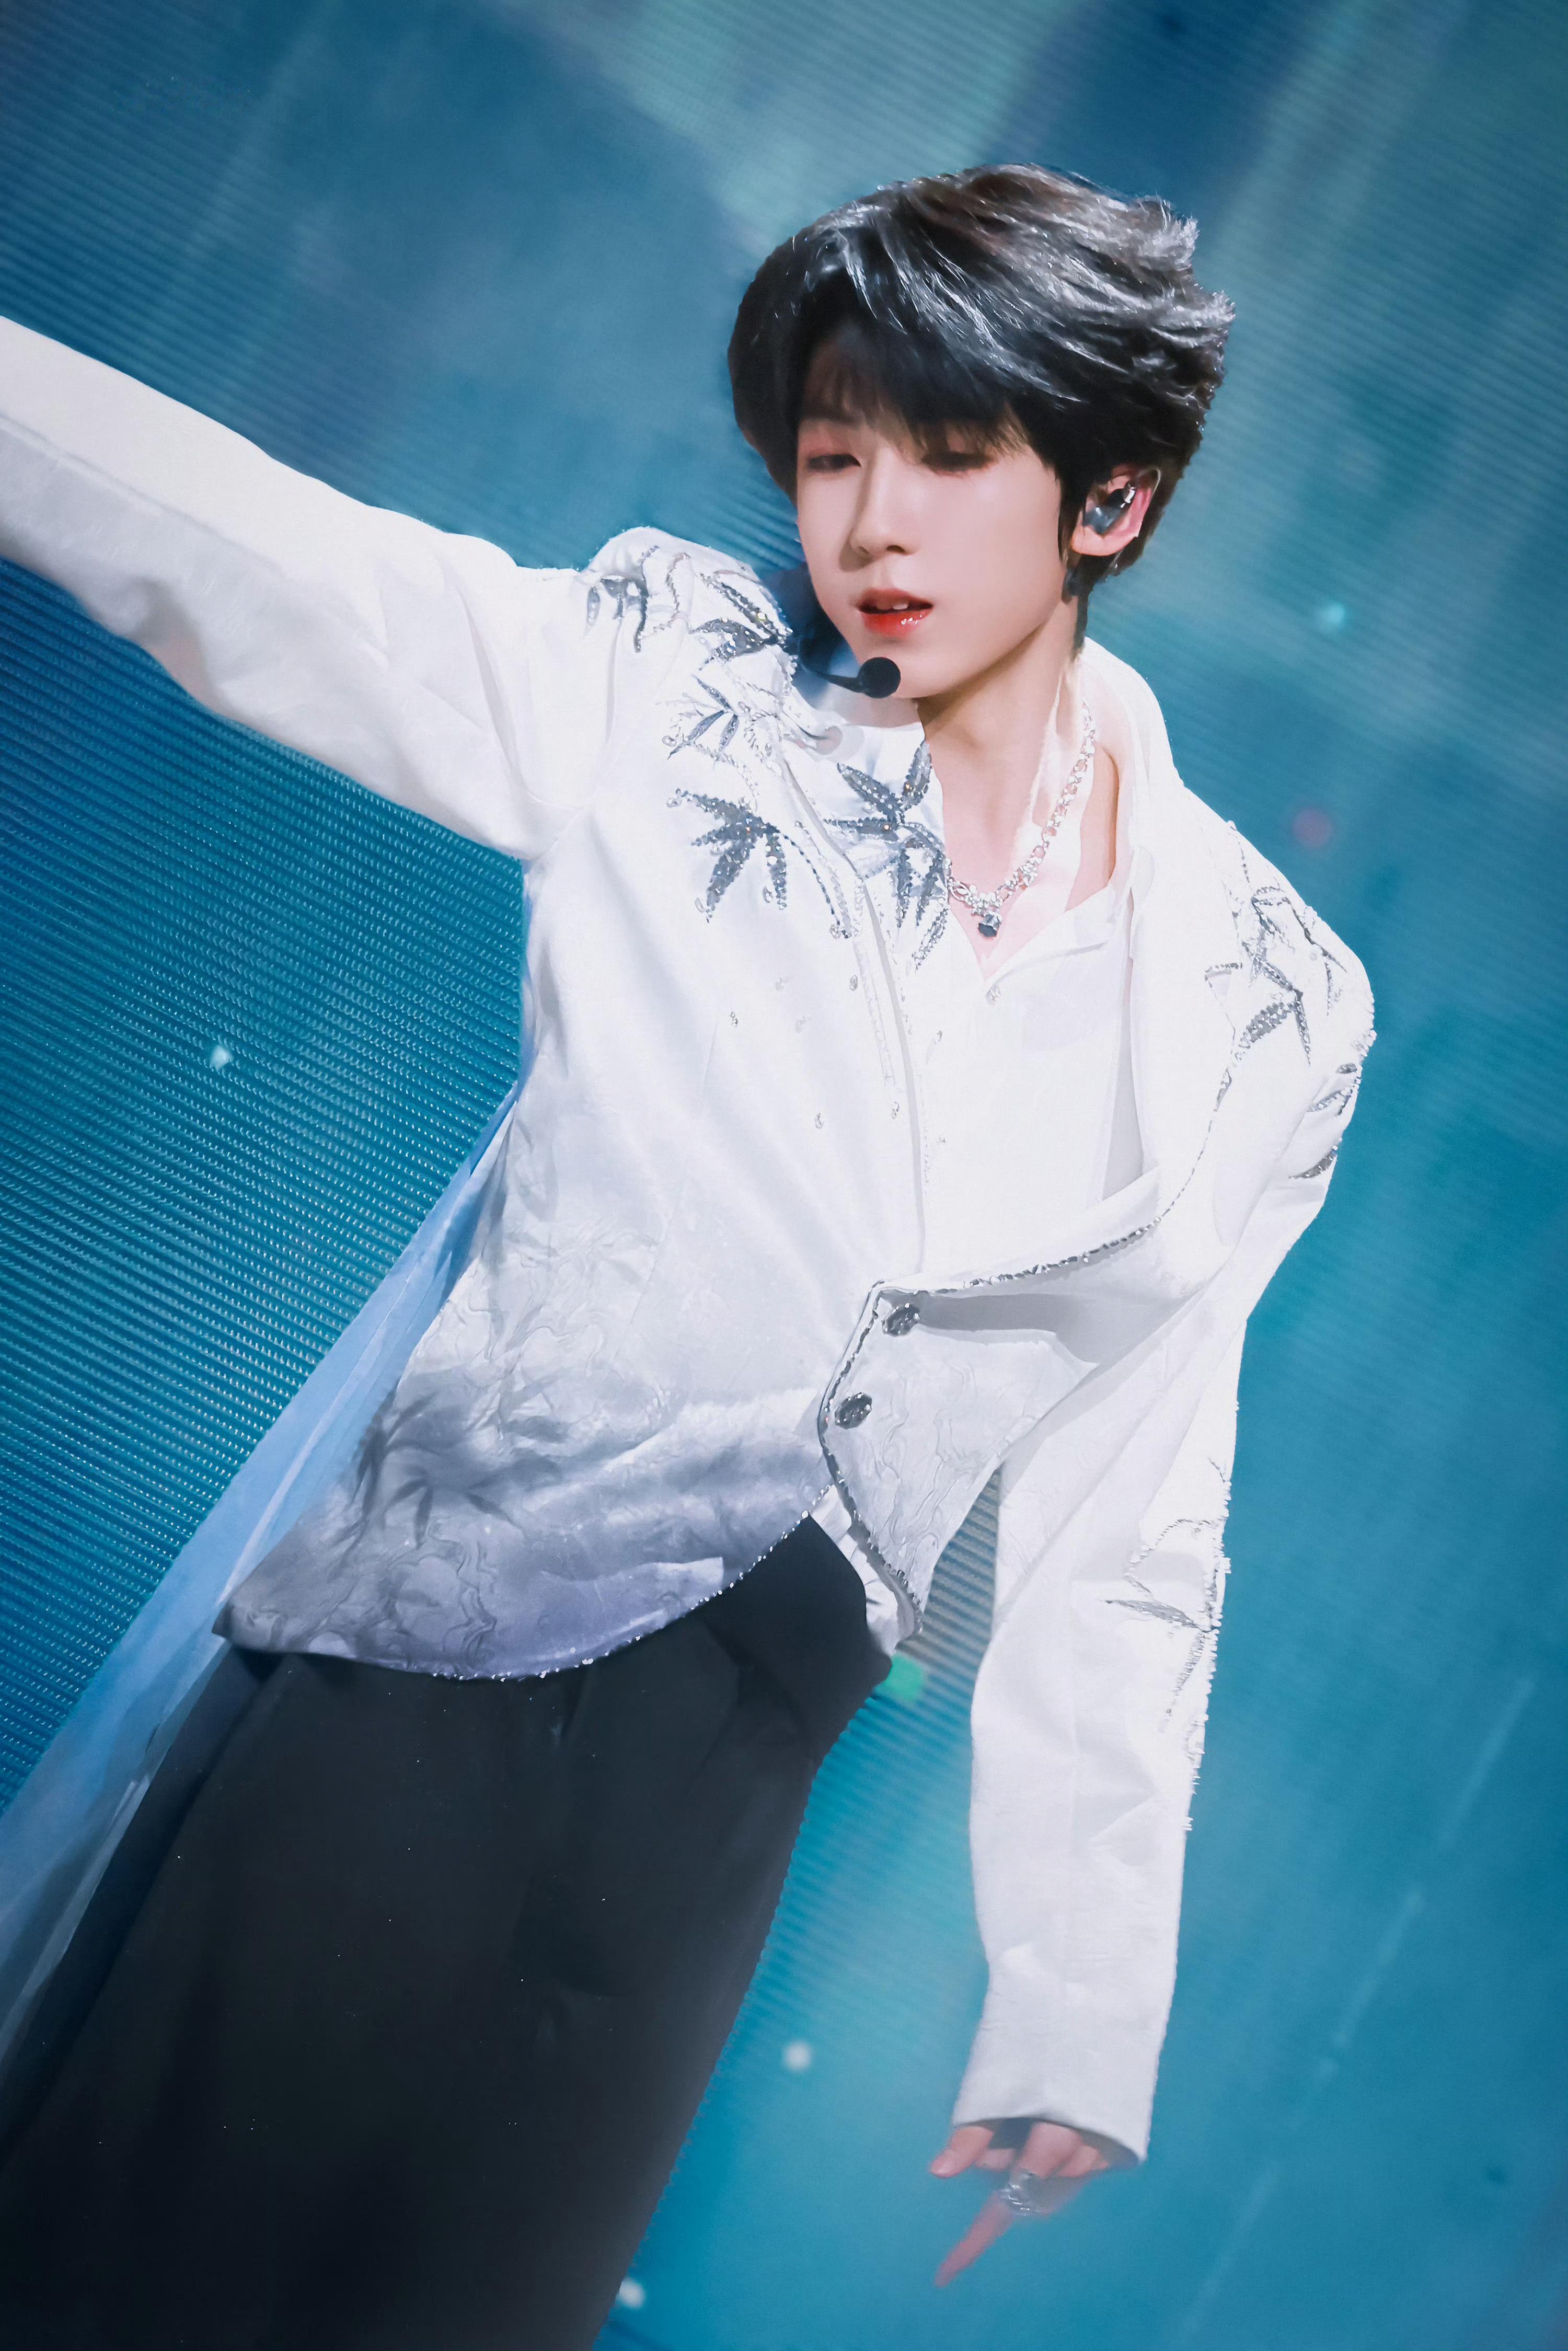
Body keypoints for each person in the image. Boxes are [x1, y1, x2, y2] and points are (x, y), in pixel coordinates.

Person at [0, 164, 1373, 2349]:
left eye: (947, 454)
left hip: (714, 1817)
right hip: (415, 1692)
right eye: (834, 454)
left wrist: (1078, 2007)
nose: (871, 525)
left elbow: (1140, 1503)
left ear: (1109, 502)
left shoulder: (1271, 999)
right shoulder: (683, 687)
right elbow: (256, 560)